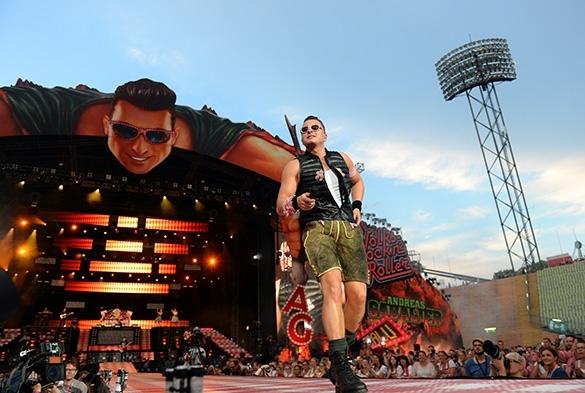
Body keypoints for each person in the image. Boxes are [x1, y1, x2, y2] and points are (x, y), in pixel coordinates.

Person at [276, 115, 368, 393]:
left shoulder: (342, 157)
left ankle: (340, 356)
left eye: (314, 127)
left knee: (359, 297)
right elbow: (281, 205)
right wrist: (296, 201)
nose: (309, 131)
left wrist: (357, 204)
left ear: (325, 134)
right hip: (317, 229)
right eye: (304, 130)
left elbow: (358, 182)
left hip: (348, 230)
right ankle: (341, 366)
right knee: (332, 290)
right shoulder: (295, 165)